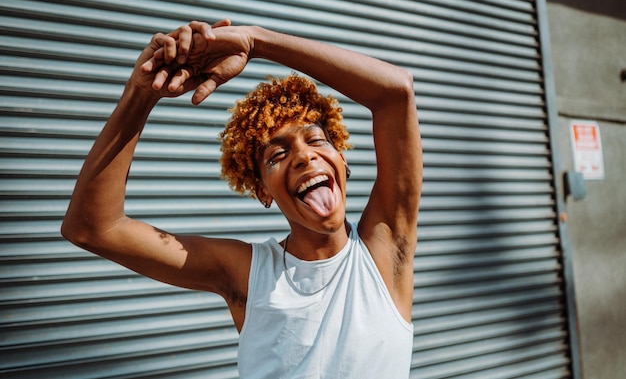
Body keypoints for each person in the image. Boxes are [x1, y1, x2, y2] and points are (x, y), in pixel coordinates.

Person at [62, 19, 423, 378]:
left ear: (341, 161)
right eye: (277, 156)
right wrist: (142, 92)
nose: (303, 156)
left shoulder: (385, 249)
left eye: (315, 140)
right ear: (262, 189)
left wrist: (256, 40)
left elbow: (396, 91)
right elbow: (94, 228)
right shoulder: (248, 274)